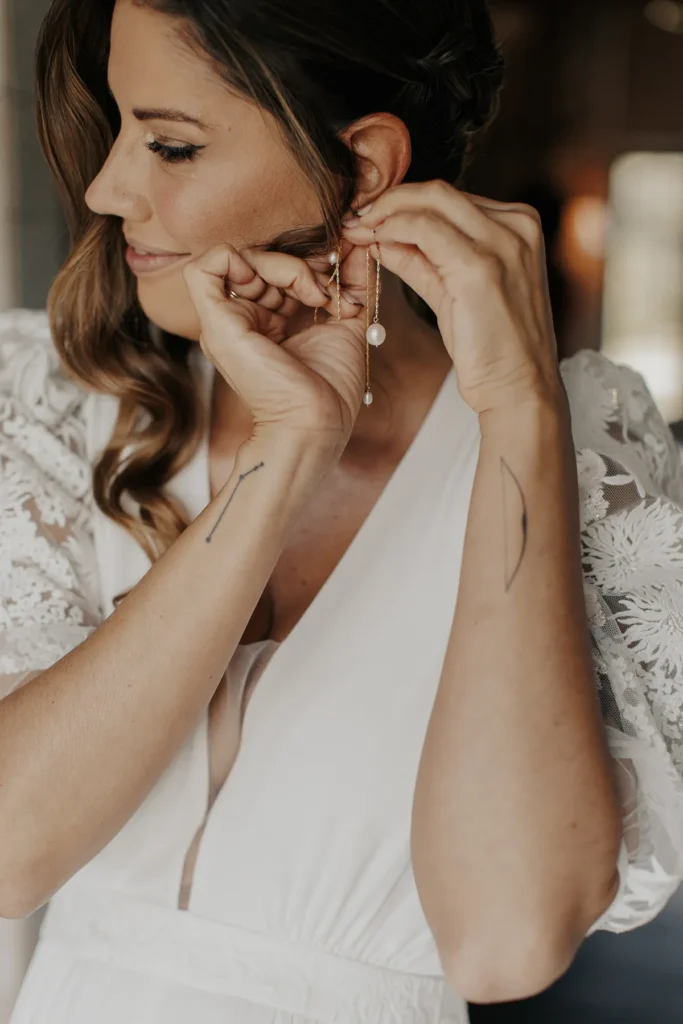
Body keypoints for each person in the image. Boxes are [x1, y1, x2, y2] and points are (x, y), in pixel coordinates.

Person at [1, 0, 682, 1021]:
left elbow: (503, 943)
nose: (107, 188)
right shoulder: (51, 400)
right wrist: (283, 450)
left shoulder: (580, 437)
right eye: (115, 127)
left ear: (361, 165)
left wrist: (517, 410)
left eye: (171, 146)